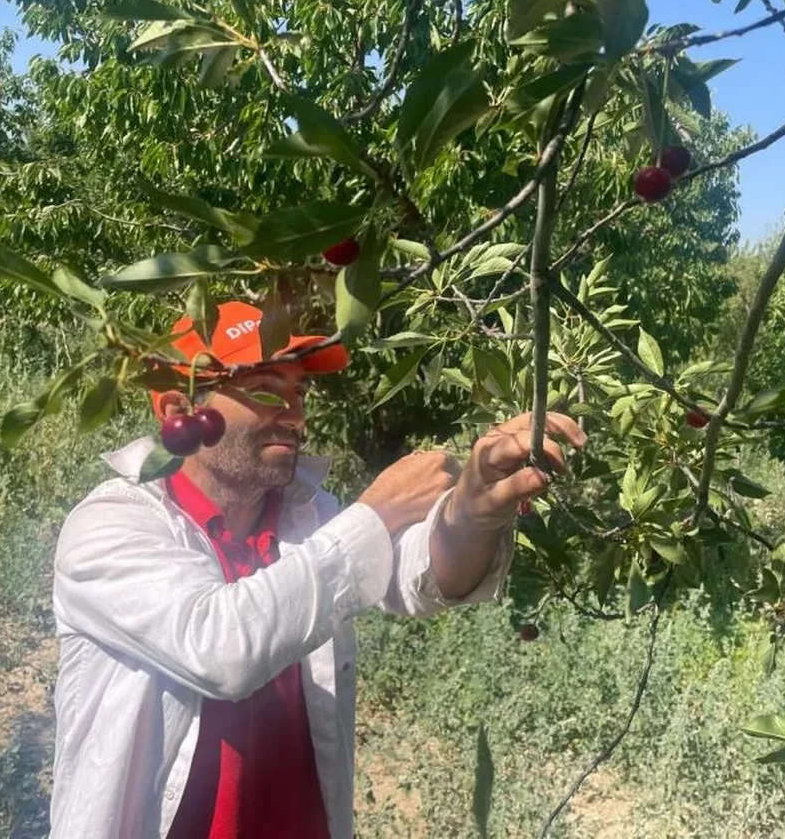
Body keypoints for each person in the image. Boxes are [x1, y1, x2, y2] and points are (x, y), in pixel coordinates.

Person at [49, 300, 586, 839]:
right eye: (265, 391)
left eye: (299, 393)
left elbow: (422, 579)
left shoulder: (308, 516)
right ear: (177, 410)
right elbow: (219, 648)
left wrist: (470, 508)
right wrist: (378, 512)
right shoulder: (111, 525)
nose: (295, 415)